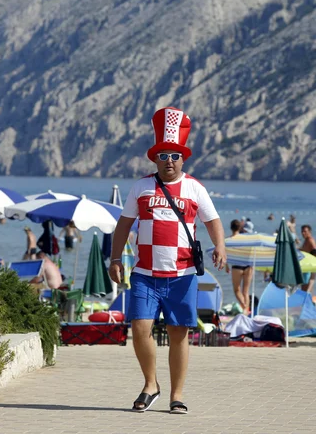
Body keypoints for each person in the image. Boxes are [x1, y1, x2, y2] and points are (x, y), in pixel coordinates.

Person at [108, 107, 226, 415]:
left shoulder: (194, 188)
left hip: (182, 274)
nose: (169, 161)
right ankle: (151, 385)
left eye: (174, 155)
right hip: (145, 273)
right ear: (155, 159)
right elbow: (123, 225)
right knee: (139, 327)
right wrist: (115, 258)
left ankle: (176, 394)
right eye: (163, 155)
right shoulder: (141, 187)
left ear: (183, 158)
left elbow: (212, 220)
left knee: (178, 333)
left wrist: (220, 247)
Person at [226, 220, 252, 314]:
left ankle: (244, 308)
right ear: (240, 228)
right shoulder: (245, 239)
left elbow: (225, 254)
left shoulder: (229, 240)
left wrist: (226, 266)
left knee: (237, 290)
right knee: (246, 291)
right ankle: (247, 311)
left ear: (231, 227)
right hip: (248, 265)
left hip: (237, 266)